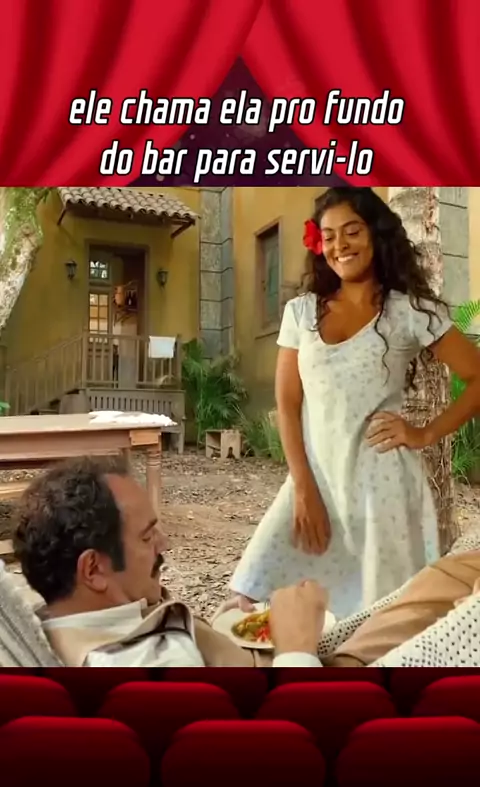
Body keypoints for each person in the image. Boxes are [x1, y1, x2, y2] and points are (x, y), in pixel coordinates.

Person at [229, 187, 480, 618]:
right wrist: (302, 486)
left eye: (352, 231)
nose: (340, 245)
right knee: (251, 596)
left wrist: (425, 434)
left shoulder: (409, 311)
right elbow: (287, 404)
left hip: (384, 492)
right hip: (316, 481)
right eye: (329, 236)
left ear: (375, 234)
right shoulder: (301, 313)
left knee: (382, 618)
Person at [9, 456, 326, 668]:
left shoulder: (55, 620)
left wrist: (210, 633)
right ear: (93, 570)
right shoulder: (152, 666)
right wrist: (298, 649)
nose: (164, 544)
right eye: (147, 537)